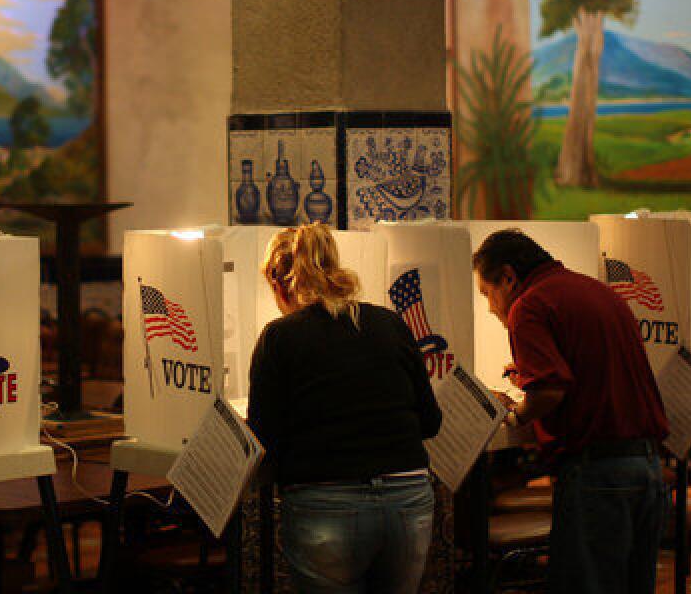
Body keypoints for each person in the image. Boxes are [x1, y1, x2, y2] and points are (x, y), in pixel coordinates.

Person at [248, 223, 442, 593]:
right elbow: (430, 422)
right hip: (408, 499)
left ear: (278, 283)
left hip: (325, 503)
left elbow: (262, 439)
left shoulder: (279, 336)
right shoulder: (390, 323)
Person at [473, 229, 669, 594]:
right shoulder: (597, 291)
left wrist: (515, 413)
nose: (490, 307)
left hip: (598, 474)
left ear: (508, 277)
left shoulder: (528, 305)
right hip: (647, 468)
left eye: (487, 293)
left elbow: (549, 392)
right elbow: (589, 367)